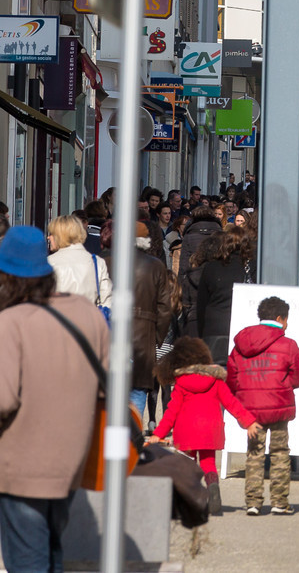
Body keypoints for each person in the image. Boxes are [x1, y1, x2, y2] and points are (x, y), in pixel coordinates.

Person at [0, 226, 111, 573]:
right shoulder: (88, 315)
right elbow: (107, 386)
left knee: (28, 558)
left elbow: (3, 400)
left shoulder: (11, 322)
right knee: (52, 551)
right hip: (72, 457)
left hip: (21, 464)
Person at [228, 296, 299, 515]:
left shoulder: (241, 343)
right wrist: (281, 386)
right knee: (280, 453)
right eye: (286, 320)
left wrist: (245, 393)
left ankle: (252, 502)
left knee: (254, 454)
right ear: (280, 318)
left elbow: (232, 377)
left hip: (250, 410)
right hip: (279, 408)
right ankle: (279, 503)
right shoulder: (288, 345)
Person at [155, 337, 263, 515]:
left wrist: (158, 434)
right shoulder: (216, 381)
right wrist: (248, 421)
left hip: (186, 431)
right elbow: (232, 403)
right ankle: (212, 486)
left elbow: (171, 413)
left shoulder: (181, 383)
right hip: (210, 430)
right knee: (209, 463)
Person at [101, 219, 175, 422]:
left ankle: (111, 437)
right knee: (138, 390)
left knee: (112, 388)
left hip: (112, 334)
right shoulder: (155, 266)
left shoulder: (105, 262)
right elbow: (164, 308)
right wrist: (157, 338)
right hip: (144, 336)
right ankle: (132, 436)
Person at [194, 227, 255, 363]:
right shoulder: (253, 268)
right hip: (243, 330)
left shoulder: (211, 267)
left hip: (214, 328)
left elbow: (202, 304)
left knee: (215, 376)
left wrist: (203, 333)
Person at [45, 215, 112, 307]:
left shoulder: (48, 263)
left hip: (57, 318)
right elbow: (106, 301)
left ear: (61, 236)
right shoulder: (96, 262)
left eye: (52, 234)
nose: (49, 237)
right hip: (88, 318)